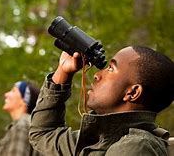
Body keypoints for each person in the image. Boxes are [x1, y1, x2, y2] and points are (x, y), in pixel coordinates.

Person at [29, 46, 174, 156]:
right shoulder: (102, 140)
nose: (97, 75)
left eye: (111, 69)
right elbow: (43, 135)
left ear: (133, 92)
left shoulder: (135, 147)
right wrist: (63, 71)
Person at [0, 81, 43, 156]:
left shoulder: (21, 126)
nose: (6, 94)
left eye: (13, 91)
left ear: (24, 100)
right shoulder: (30, 124)